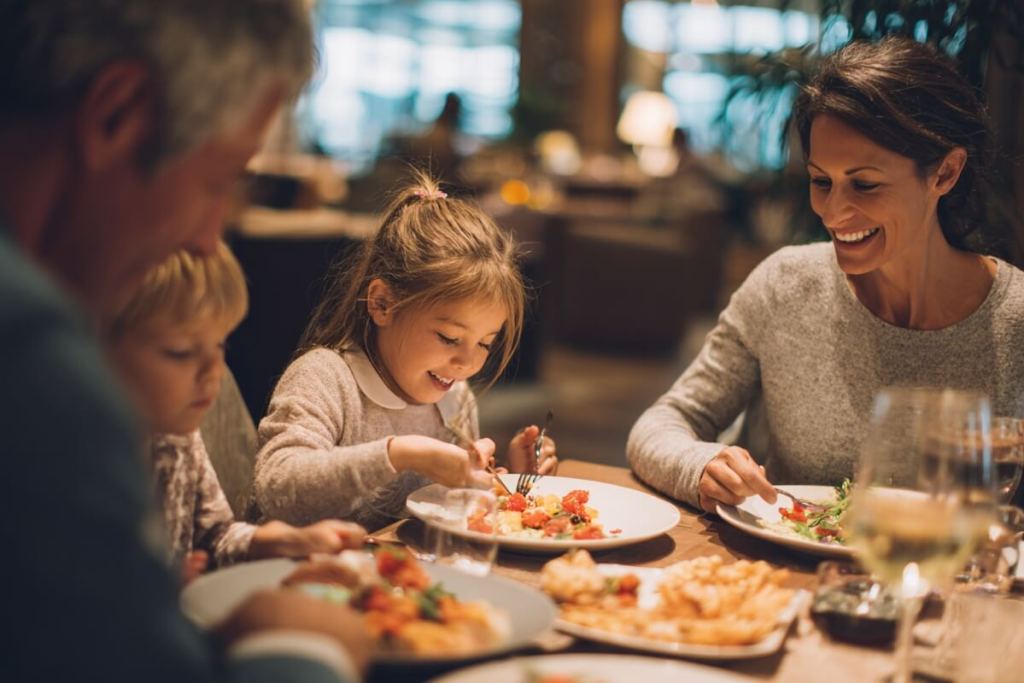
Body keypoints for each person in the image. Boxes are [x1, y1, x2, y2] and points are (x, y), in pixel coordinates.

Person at [0, 2, 368, 681]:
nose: (208, 237)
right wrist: (300, 650)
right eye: (219, 181)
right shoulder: (33, 361)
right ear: (117, 112)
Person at [627, 36, 1024, 514]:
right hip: (783, 577)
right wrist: (701, 465)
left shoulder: (1014, 322)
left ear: (945, 174)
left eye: (865, 184)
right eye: (821, 181)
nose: (834, 212)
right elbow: (665, 422)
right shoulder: (785, 286)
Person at [253, 173, 558, 530]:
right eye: (448, 337)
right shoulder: (325, 378)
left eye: (486, 343)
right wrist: (399, 454)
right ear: (383, 304)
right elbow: (277, 489)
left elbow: (447, 512)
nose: (467, 363)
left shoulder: (454, 398)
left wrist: (504, 486)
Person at [104, 243, 366, 581]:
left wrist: (289, 541)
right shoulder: (86, 461)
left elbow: (216, 535)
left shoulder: (181, 437)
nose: (215, 370)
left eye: (221, 345)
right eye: (182, 352)